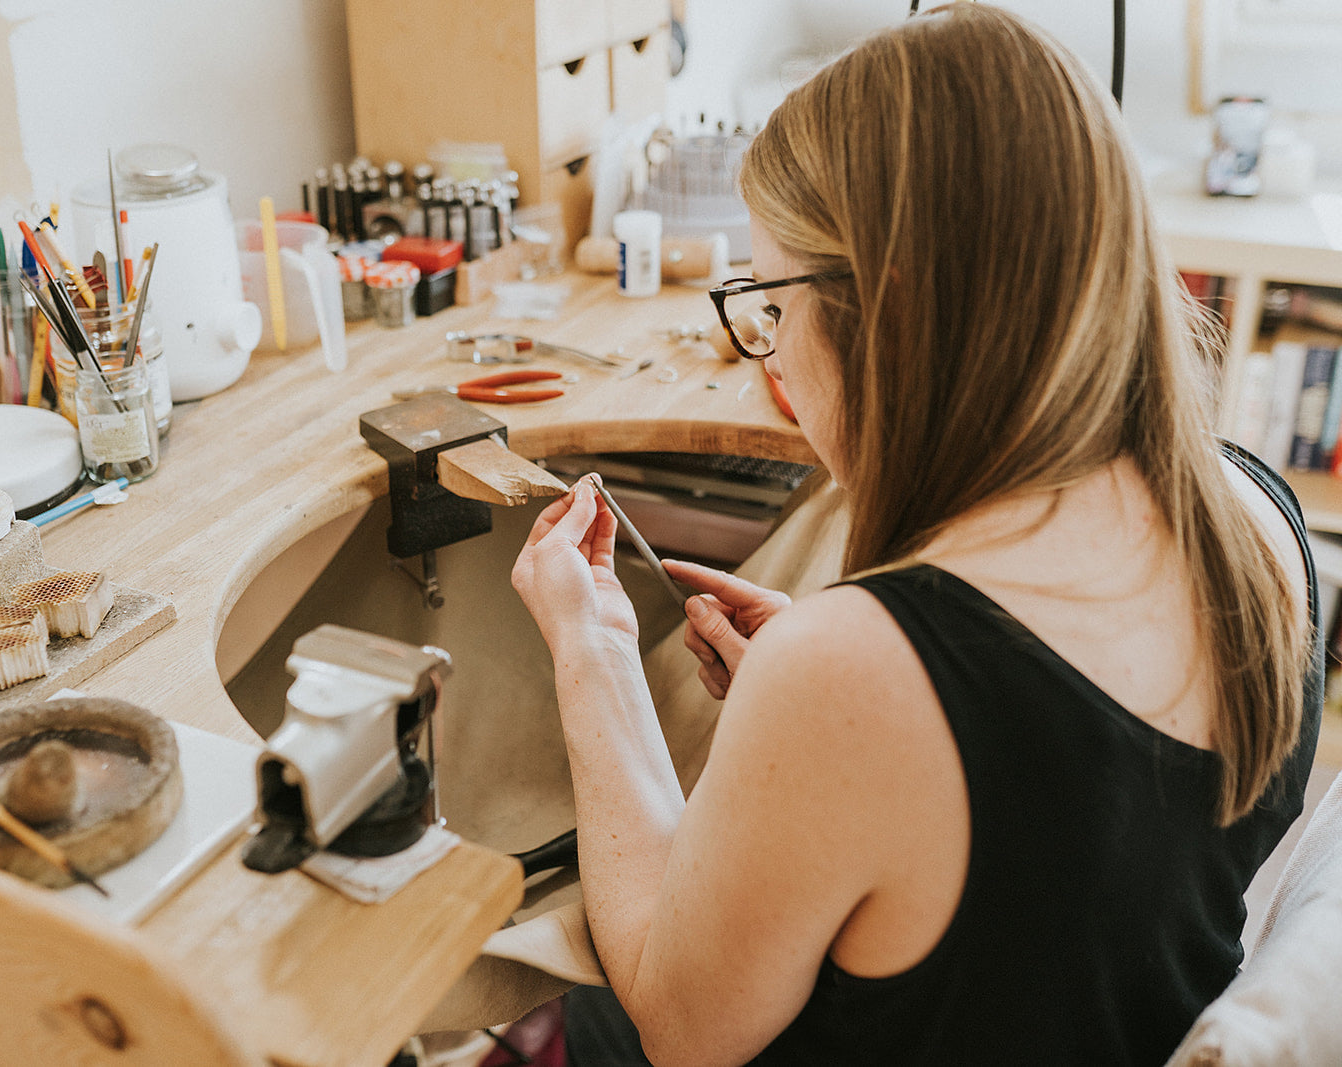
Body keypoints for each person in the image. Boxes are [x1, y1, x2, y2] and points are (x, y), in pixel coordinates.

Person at [508, 5, 1323, 1064]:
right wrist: (887, 694)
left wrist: (593, 652)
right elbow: (1075, 818)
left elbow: (683, 1026)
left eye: (772, 303)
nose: (771, 363)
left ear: (886, 304)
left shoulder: (849, 668)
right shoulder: (1255, 516)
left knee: (569, 1009)